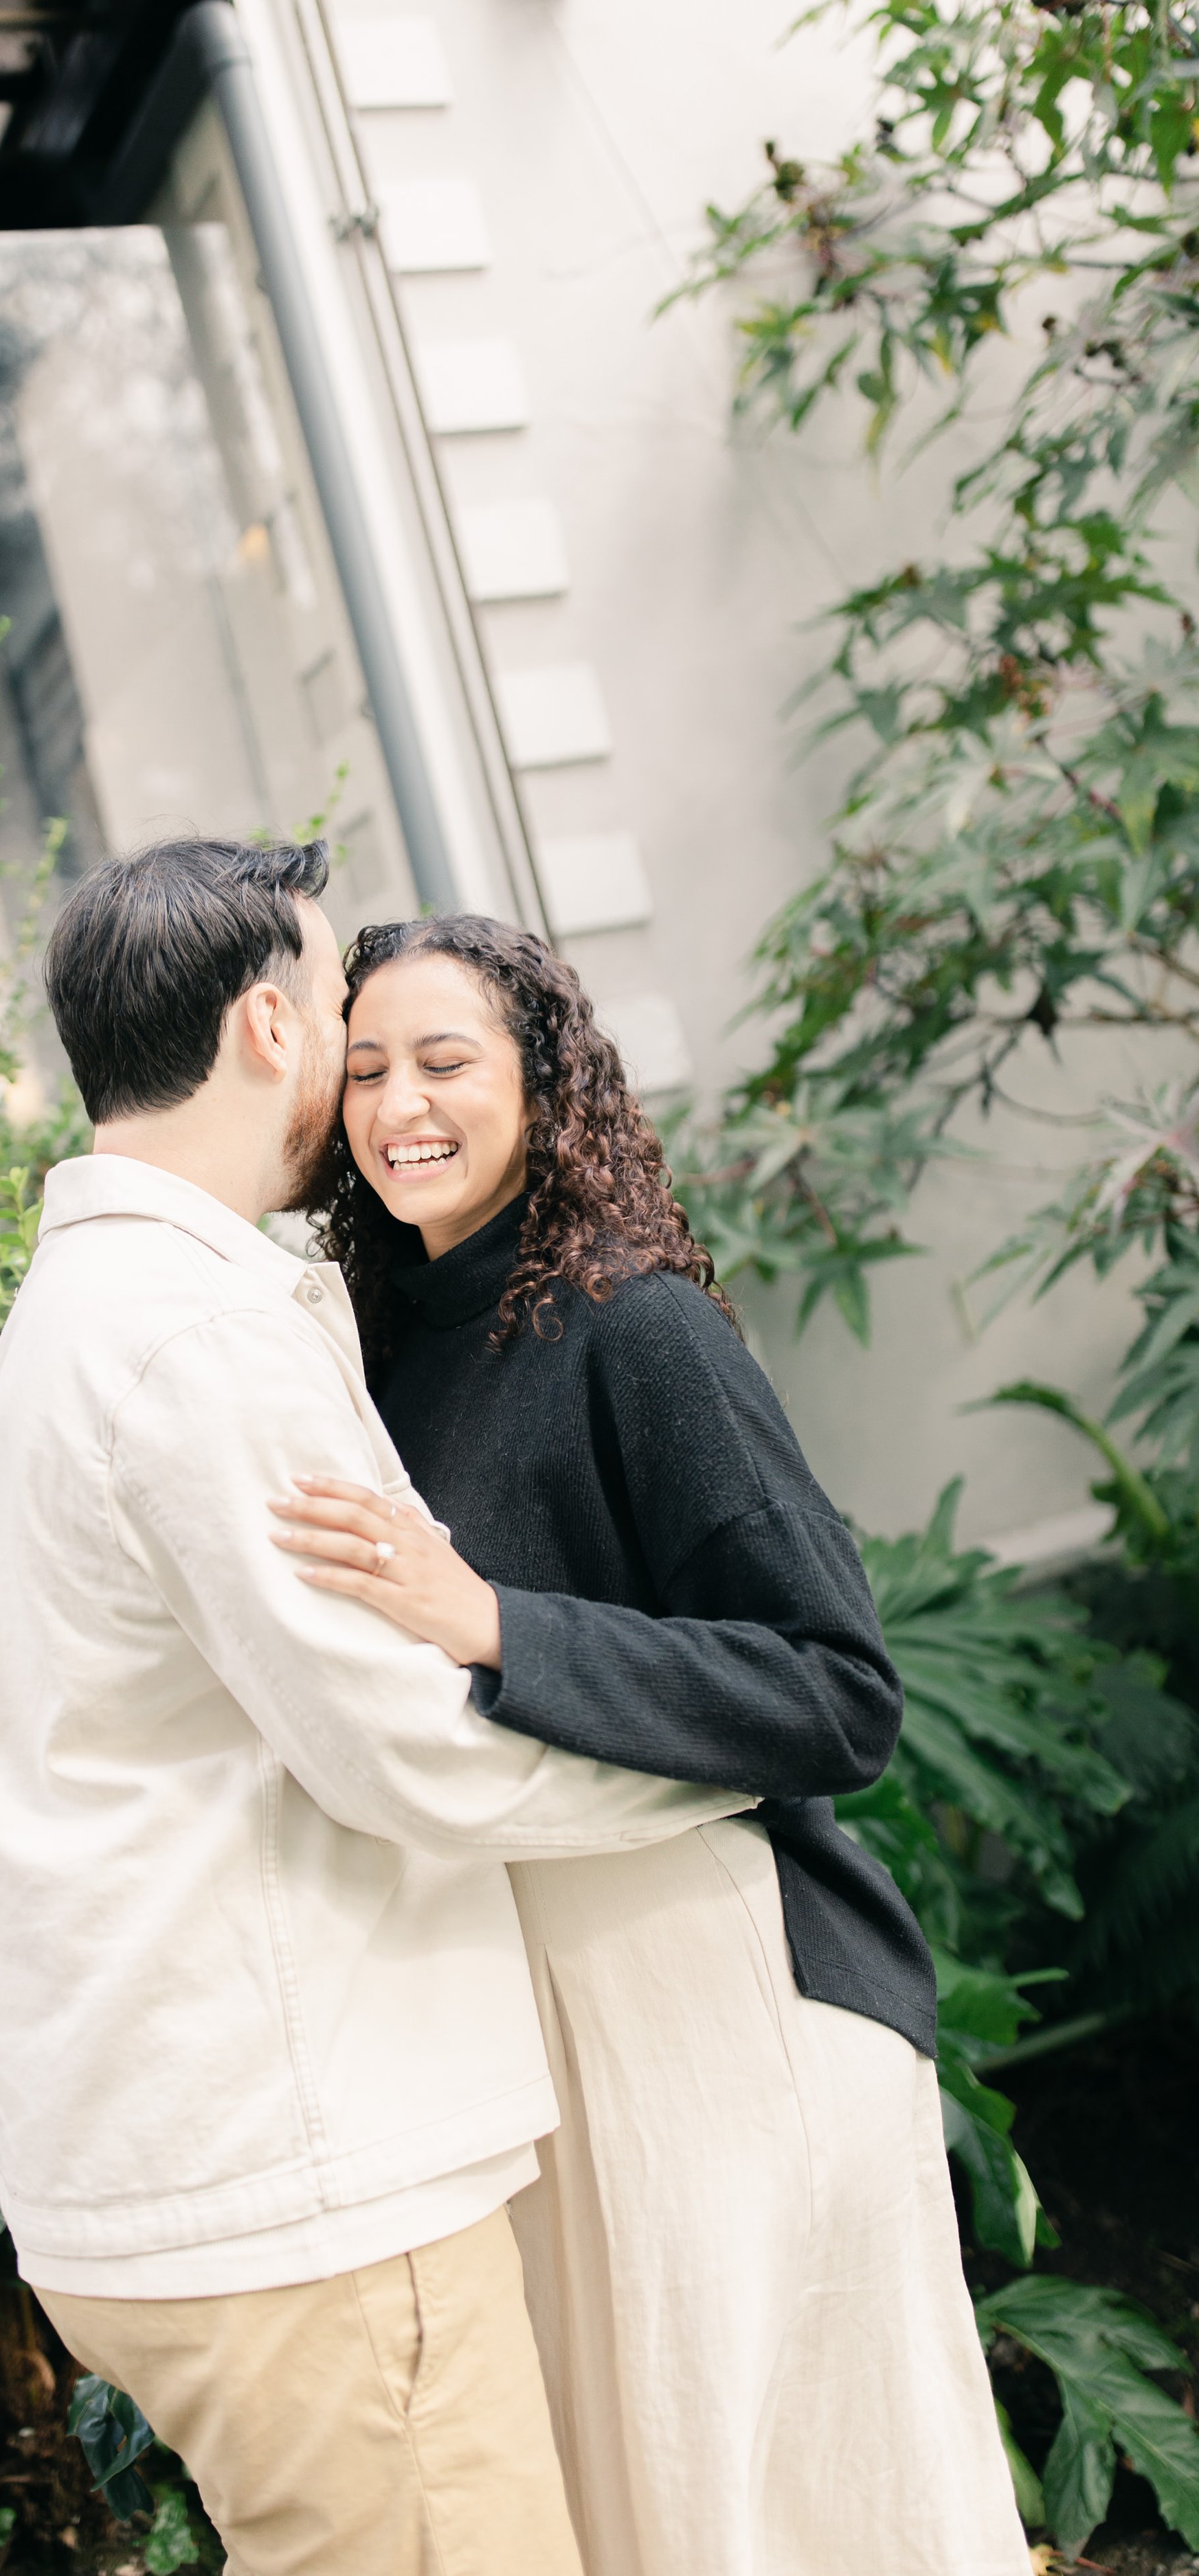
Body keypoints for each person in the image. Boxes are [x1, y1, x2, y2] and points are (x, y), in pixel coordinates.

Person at [0, 839, 753, 2576]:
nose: (357, 1047)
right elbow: (408, 1749)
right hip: (294, 2178)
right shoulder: (188, 1342)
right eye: (333, 1005)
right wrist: (716, 1765)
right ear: (264, 1026)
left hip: (181, 2171)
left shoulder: (103, 1307)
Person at [276, 913, 1029, 2576]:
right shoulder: (375, 1348)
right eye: (369, 1068)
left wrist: (494, 1624)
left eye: (447, 1060)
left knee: (794, 2511)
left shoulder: (636, 1329)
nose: (401, 1103)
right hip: (532, 2038)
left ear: (542, 1082)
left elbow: (836, 1693)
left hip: (726, 2017)